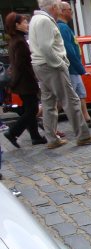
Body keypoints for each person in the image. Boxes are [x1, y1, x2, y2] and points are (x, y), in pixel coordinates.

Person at [29, 0, 91, 149]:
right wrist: (59, 63)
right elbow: (46, 47)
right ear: (53, 7)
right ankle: (82, 135)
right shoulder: (44, 21)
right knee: (71, 100)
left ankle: (52, 138)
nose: (59, 11)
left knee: (49, 103)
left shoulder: (36, 19)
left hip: (41, 65)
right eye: (57, 7)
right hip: (50, 66)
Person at [4, 12, 47, 148]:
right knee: (32, 110)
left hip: (23, 82)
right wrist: (15, 83)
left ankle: (35, 136)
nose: (27, 24)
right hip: (25, 83)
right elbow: (20, 66)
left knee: (30, 109)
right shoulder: (20, 42)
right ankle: (13, 132)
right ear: (17, 25)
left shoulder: (15, 40)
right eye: (24, 22)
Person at [58, 1, 91, 129]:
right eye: (68, 9)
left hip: (74, 68)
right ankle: (41, 118)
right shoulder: (63, 28)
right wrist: (80, 68)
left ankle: (86, 118)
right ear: (62, 11)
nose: (71, 11)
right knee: (66, 98)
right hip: (71, 68)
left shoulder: (65, 27)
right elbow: (69, 50)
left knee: (80, 94)